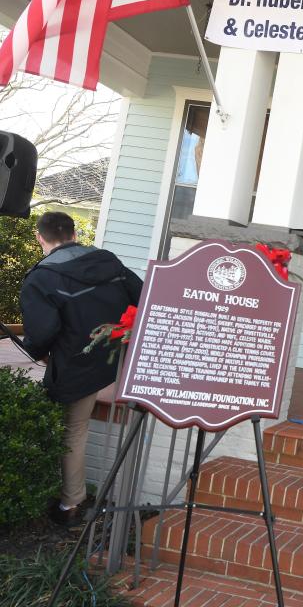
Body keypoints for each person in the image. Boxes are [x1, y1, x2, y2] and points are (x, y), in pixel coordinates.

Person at [19, 212, 142, 525]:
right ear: (73, 235)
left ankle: (71, 504)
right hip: (116, 362)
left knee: (72, 430)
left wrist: (34, 351)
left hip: (77, 367)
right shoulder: (107, 260)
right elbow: (142, 297)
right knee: (76, 428)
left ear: (39, 238)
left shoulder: (41, 278)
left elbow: (42, 334)